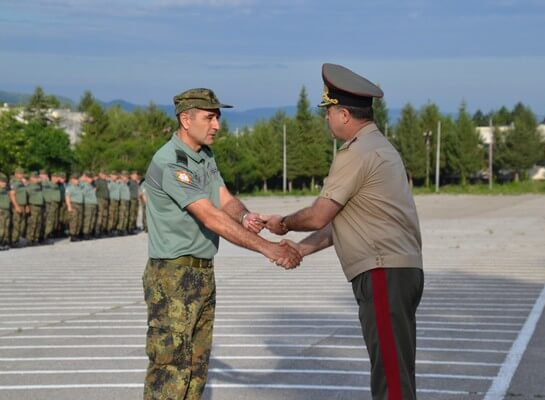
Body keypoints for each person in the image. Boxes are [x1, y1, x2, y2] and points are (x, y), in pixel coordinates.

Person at [263, 63, 424, 400]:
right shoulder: (380, 147)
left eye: (329, 111)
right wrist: (300, 249)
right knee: (393, 370)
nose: (326, 119)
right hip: (395, 270)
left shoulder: (356, 153)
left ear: (345, 114)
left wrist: (284, 224)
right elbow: (346, 222)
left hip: (383, 271)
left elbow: (320, 214)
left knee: (391, 379)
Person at [142, 87, 302, 400]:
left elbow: (224, 200)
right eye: (210, 117)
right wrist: (267, 248)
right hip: (172, 277)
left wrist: (246, 218)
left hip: (201, 273)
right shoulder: (172, 162)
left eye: (218, 117)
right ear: (186, 120)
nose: (217, 125)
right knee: (170, 371)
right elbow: (210, 217)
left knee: (196, 368)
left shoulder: (203, 156)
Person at [9, 168, 28, 247]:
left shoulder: (22, 182)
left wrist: (26, 205)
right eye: (20, 174)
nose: (22, 175)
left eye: (22, 173)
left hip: (23, 205)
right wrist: (16, 206)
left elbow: (25, 194)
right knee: (16, 223)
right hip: (17, 205)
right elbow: (12, 195)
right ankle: (14, 241)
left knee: (21, 223)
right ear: (16, 174)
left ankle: (18, 239)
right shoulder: (13, 183)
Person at [25, 171, 44, 245]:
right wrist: (27, 206)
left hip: (39, 206)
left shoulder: (39, 186)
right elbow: (26, 197)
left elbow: (43, 181)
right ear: (31, 178)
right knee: (32, 223)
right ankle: (30, 239)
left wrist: (40, 179)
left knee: (38, 223)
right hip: (33, 206)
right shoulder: (28, 187)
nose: (37, 179)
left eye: (37, 178)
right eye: (35, 178)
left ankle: (36, 239)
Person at [65, 173, 84, 241]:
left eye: (78, 179)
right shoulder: (69, 187)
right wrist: (69, 206)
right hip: (74, 205)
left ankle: (76, 234)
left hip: (80, 205)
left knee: (79, 220)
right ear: (72, 180)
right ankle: (73, 235)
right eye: (76, 179)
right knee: (74, 221)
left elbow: (83, 180)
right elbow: (67, 197)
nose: (77, 180)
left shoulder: (79, 187)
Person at [80, 171, 97, 240]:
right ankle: (85, 233)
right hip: (88, 204)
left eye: (91, 178)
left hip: (93, 203)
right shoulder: (84, 185)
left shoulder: (91, 185)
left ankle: (89, 232)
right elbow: (82, 193)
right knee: (88, 219)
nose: (91, 179)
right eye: (90, 178)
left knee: (92, 219)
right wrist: (82, 178)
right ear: (86, 178)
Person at [94, 170, 110, 237]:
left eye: (104, 174)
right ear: (99, 174)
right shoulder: (97, 181)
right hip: (100, 199)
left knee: (105, 215)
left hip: (106, 200)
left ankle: (103, 230)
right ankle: (97, 231)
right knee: (100, 215)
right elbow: (94, 190)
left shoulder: (106, 181)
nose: (104, 175)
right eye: (102, 174)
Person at [0, 173, 11, 251]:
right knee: (1, 228)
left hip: (6, 210)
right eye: (2, 182)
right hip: (1, 210)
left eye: (5, 182)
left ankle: (4, 242)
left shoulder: (5, 190)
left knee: (6, 227)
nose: (4, 183)